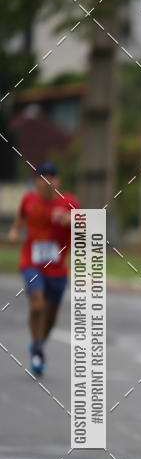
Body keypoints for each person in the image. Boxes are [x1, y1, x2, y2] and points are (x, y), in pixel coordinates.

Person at [8, 162, 81, 377]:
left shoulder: (70, 202)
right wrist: (15, 231)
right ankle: (38, 351)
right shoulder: (28, 200)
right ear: (36, 182)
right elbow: (21, 217)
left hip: (57, 268)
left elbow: (88, 228)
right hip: (32, 263)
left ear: (58, 182)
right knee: (37, 305)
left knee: (50, 315)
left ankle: (39, 343)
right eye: (43, 178)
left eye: (52, 177)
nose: (47, 182)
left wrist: (73, 222)